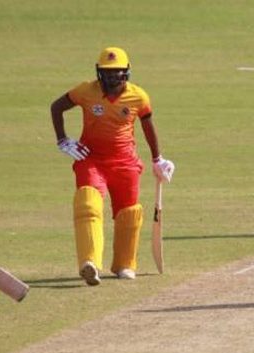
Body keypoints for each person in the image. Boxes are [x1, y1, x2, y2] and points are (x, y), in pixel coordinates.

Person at [50, 46, 175, 286]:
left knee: (128, 213)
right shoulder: (86, 91)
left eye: (116, 71)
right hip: (91, 159)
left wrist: (157, 159)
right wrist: (63, 140)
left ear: (126, 72)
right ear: (99, 72)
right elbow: (56, 107)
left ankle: (125, 264)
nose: (111, 76)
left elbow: (148, 126)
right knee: (88, 204)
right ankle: (90, 262)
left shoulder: (138, 96)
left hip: (125, 162)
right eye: (107, 71)